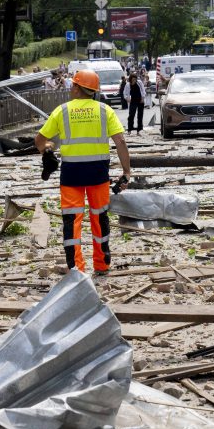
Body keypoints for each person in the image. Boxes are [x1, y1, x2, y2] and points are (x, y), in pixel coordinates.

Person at [35, 70, 132, 275]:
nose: (71, 87)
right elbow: (120, 142)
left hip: (71, 175)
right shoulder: (105, 111)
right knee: (100, 220)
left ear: (78, 87)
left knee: (72, 223)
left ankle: (76, 270)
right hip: (98, 174)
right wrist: (126, 172)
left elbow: (39, 140)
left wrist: (47, 150)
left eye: (73, 84)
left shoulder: (62, 111)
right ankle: (102, 265)